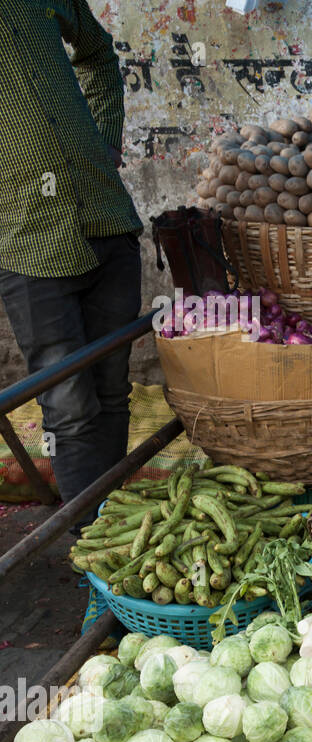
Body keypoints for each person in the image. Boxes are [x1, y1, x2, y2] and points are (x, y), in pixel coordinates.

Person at [0, 0, 143, 519]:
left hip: (106, 220)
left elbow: (98, 53)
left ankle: (121, 534)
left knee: (111, 392)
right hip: (30, 246)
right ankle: (93, 553)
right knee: (69, 410)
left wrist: (105, 137)